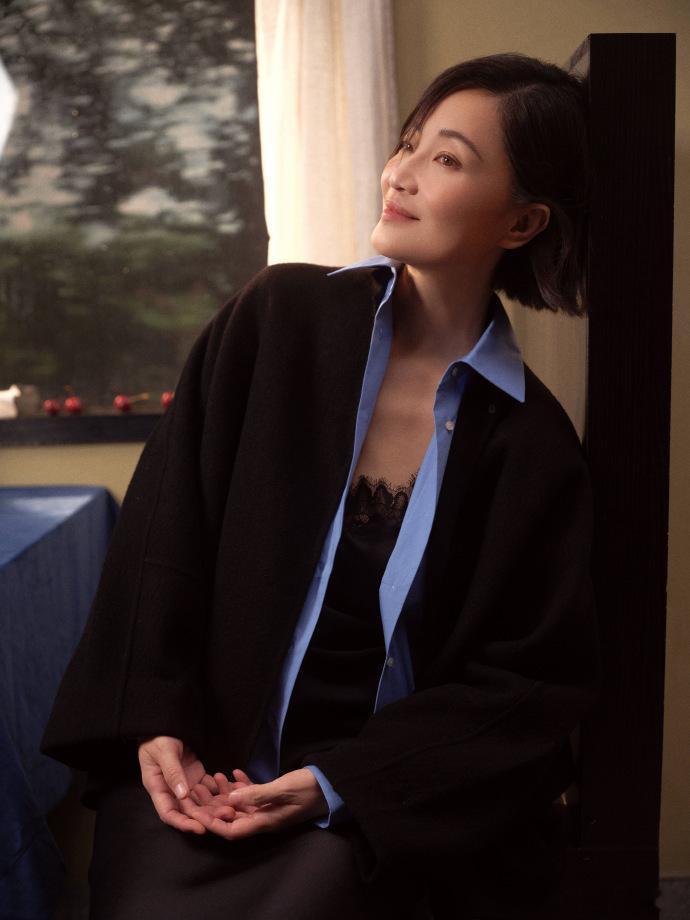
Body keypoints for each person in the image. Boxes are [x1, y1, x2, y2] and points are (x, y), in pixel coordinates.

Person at [42, 52, 599, 920]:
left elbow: (522, 685)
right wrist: (156, 722)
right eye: (408, 144)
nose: (401, 174)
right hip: (207, 767)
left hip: (378, 809)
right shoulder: (276, 321)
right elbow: (161, 540)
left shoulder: (533, 444)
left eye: (447, 159)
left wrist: (338, 787)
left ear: (522, 222)